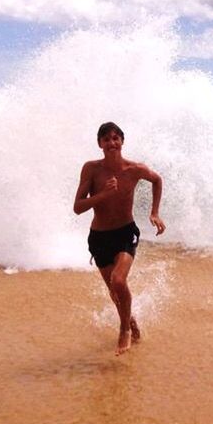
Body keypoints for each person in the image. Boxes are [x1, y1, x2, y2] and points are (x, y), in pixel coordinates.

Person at [73, 122, 166, 355]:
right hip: (99, 238)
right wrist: (103, 194)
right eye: (106, 139)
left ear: (122, 141)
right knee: (115, 292)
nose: (111, 143)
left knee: (118, 280)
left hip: (125, 233)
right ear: (99, 144)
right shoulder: (91, 170)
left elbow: (157, 180)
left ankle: (123, 329)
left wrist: (154, 212)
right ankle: (132, 323)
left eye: (116, 138)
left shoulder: (134, 169)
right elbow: (78, 207)